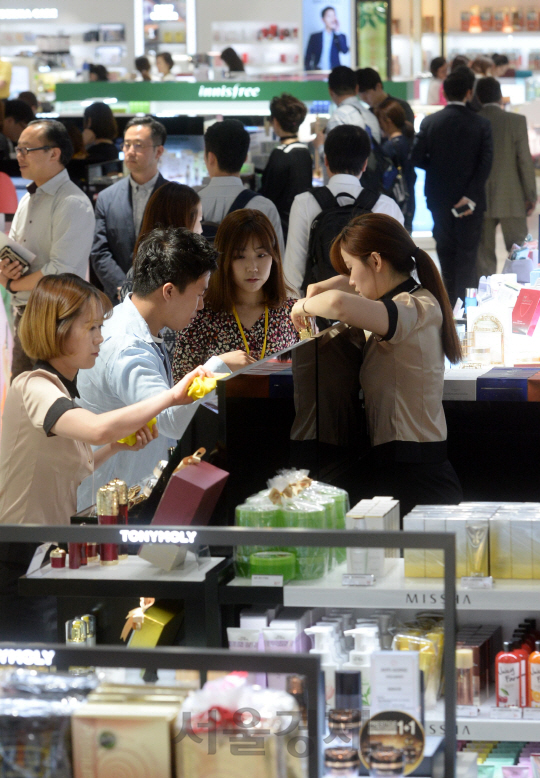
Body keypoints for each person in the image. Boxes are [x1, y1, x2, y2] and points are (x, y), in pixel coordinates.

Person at [0, 273, 208, 641]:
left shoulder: (60, 391)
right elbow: (97, 429)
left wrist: (117, 447)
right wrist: (172, 397)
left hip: (42, 551)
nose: (100, 338)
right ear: (57, 328)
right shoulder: (32, 385)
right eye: (92, 327)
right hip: (15, 553)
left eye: (101, 326)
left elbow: (77, 466)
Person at [290, 212, 463, 516]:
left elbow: (338, 304)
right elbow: (349, 290)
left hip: (418, 477)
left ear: (376, 261)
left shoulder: (412, 307)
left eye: (352, 267)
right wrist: (335, 281)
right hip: (399, 468)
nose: (351, 279)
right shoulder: (405, 300)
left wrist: (300, 306)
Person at [76, 227, 230, 508]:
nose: (201, 305)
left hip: (120, 485)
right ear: (169, 291)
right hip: (109, 501)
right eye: (199, 294)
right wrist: (219, 365)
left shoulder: (126, 320)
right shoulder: (127, 347)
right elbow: (169, 420)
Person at [0, 119, 95, 379]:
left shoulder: (72, 202)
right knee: (24, 399)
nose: (19, 156)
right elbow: (17, 251)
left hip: (54, 322)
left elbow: (59, 270)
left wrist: (11, 285)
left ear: (54, 153)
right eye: (17, 149)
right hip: (25, 316)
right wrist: (6, 268)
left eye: (26, 150)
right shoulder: (28, 198)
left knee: (50, 404)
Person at [173, 209, 298, 380]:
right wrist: (217, 366)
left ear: (274, 257)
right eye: (240, 256)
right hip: (218, 407)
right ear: (224, 260)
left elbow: (309, 379)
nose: (252, 267)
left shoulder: (293, 313)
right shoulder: (199, 315)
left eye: (261, 255)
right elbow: (180, 386)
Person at [284, 124, 404, 295]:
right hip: (373, 314)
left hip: (320, 311)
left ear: (326, 160)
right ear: (364, 164)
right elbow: (400, 270)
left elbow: (293, 271)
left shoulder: (304, 202)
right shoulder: (386, 205)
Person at [412, 68, 493, 304]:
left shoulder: (430, 121)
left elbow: (415, 157)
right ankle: (466, 311)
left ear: (444, 93)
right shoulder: (481, 124)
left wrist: (436, 168)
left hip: (439, 198)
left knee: (445, 253)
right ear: (469, 92)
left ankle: (447, 308)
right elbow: (485, 164)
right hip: (470, 202)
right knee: (467, 256)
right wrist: (470, 194)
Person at [91, 115, 167, 301]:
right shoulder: (106, 198)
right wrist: (124, 287)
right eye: (126, 145)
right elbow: (99, 251)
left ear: (158, 151)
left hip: (163, 298)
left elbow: (181, 249)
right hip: (118, 299)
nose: (130, 151)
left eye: (139, 145)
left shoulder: (176, 197)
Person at [476, 77, 537, 279]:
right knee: (520, 254)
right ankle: (520, 299)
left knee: (484, 258)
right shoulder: (516, 122)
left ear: (477, 96)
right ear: (500, 96)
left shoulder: (473, 120)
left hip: (479, 198)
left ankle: (485, 301)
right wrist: (531, 195)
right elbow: (524, 162)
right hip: (512, 196)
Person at [199, 119, 285, 253]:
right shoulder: (264, 208)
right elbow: (278, 264)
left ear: (210, 157)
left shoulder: (188, 205)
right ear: (245, 158)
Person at [119, 181, 203, 314]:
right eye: (199, 221)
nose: (201, 230)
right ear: (183, 223)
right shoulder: (189, 275)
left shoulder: (137, 273)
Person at [259, 94, 313, 239]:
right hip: (301, 225)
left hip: (280, 228)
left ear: (275, 121)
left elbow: (267, 194)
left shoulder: (280, 153)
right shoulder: (305, 152)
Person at [375, 99, 416, 233]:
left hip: (395, 203)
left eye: (379, 121)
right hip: (407, 200)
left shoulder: (390, 147)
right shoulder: (406, 142)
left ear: (388, 122)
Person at [325, 66, 381, 143]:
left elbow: (335, 153)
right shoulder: (371, 116)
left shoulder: (338, 117)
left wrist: (319, 145)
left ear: (330, 91)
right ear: (357, 88)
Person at [305, 6, 349, 71]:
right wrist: (309, 71)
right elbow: (308, 56)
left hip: (335, 72)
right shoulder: (315, 37)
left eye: (333, 15)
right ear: (323, 19)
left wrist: (337, 31)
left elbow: (344, 50)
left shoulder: (340, 36)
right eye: (329, 16)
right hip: (318, 71)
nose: (332, 19)